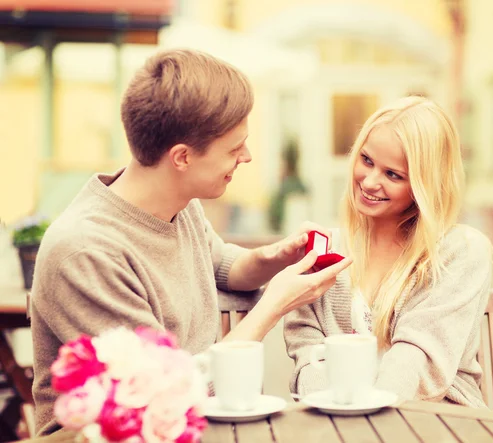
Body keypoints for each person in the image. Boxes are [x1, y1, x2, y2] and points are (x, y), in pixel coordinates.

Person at [30, 49, 352, 435]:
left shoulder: (179, 206)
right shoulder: (86, 252)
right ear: (181, 157)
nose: (247, 157)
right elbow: (165, 394)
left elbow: (220, 266)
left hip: (204, 423)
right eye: (235, 148)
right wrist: (275, 304)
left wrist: (274, 258)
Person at [284, 96, 493, 407]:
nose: (369, 182)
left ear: (424, 184)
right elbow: (307, 347)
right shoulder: (326, 248)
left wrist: (367, 421)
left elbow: (417, 358)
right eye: (366, 160)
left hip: (432, 421)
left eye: (393, 175)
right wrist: (328, 411)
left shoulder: (459, 253)